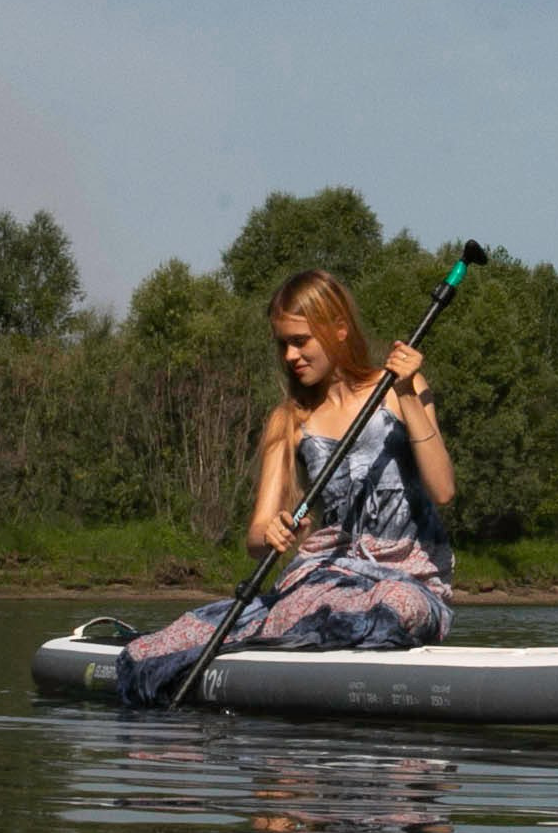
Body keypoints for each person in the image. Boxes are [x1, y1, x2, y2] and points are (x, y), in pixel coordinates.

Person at [117, 269, 455, 706]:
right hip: (326, 574)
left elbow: (443, 490)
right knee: (296, 609)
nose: (291, 355)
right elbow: (257, 540)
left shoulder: (400, 390)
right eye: (282, 344)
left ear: (338, 330)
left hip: (411, 576)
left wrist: (408, 392)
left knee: (394, 603)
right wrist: (273, 531)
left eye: (301, 340)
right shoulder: (288, 419)